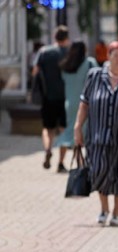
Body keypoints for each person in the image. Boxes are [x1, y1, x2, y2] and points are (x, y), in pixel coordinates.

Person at [73, 42, 118, 226]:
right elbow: (84, 103)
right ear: (108, 56)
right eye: (115, 55)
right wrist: (78, 127)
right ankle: (103, 208)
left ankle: (116, 212)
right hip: (97, 136)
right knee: (99, 171)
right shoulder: (95, 76)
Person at [33, 26, 69, 171]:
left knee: (47, 129)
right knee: (64, 130)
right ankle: (61, 163)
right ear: (66, 38)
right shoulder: (69, 53)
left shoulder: (44, 52)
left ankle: (48, 149)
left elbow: (35, 71)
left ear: (54, 37)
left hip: (48, 97)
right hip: (65, 97)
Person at [56, 41, 98, 169]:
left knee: (69, 131)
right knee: (82, 132)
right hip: (85, 104)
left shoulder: (66, 65)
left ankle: (61, 162)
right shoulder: (90, 63)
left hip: (69, 103)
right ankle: (81, 163)